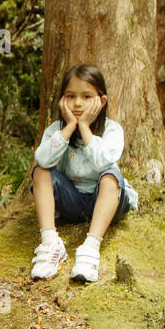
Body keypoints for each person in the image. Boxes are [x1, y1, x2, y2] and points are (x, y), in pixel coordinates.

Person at [28, 64, 139, 283]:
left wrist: (85, 128)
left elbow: (103, 164)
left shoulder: (112, 130)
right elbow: (43, 159)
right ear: (62, 100)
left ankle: (90, 248)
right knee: (40, 172)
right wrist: (70, 127)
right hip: (74, 202)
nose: (78, 103)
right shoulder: (56, 131)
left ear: (101, 101)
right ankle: (50, 244)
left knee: (111, 176)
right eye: (71, 96)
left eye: (86, 96)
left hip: (107, 201)